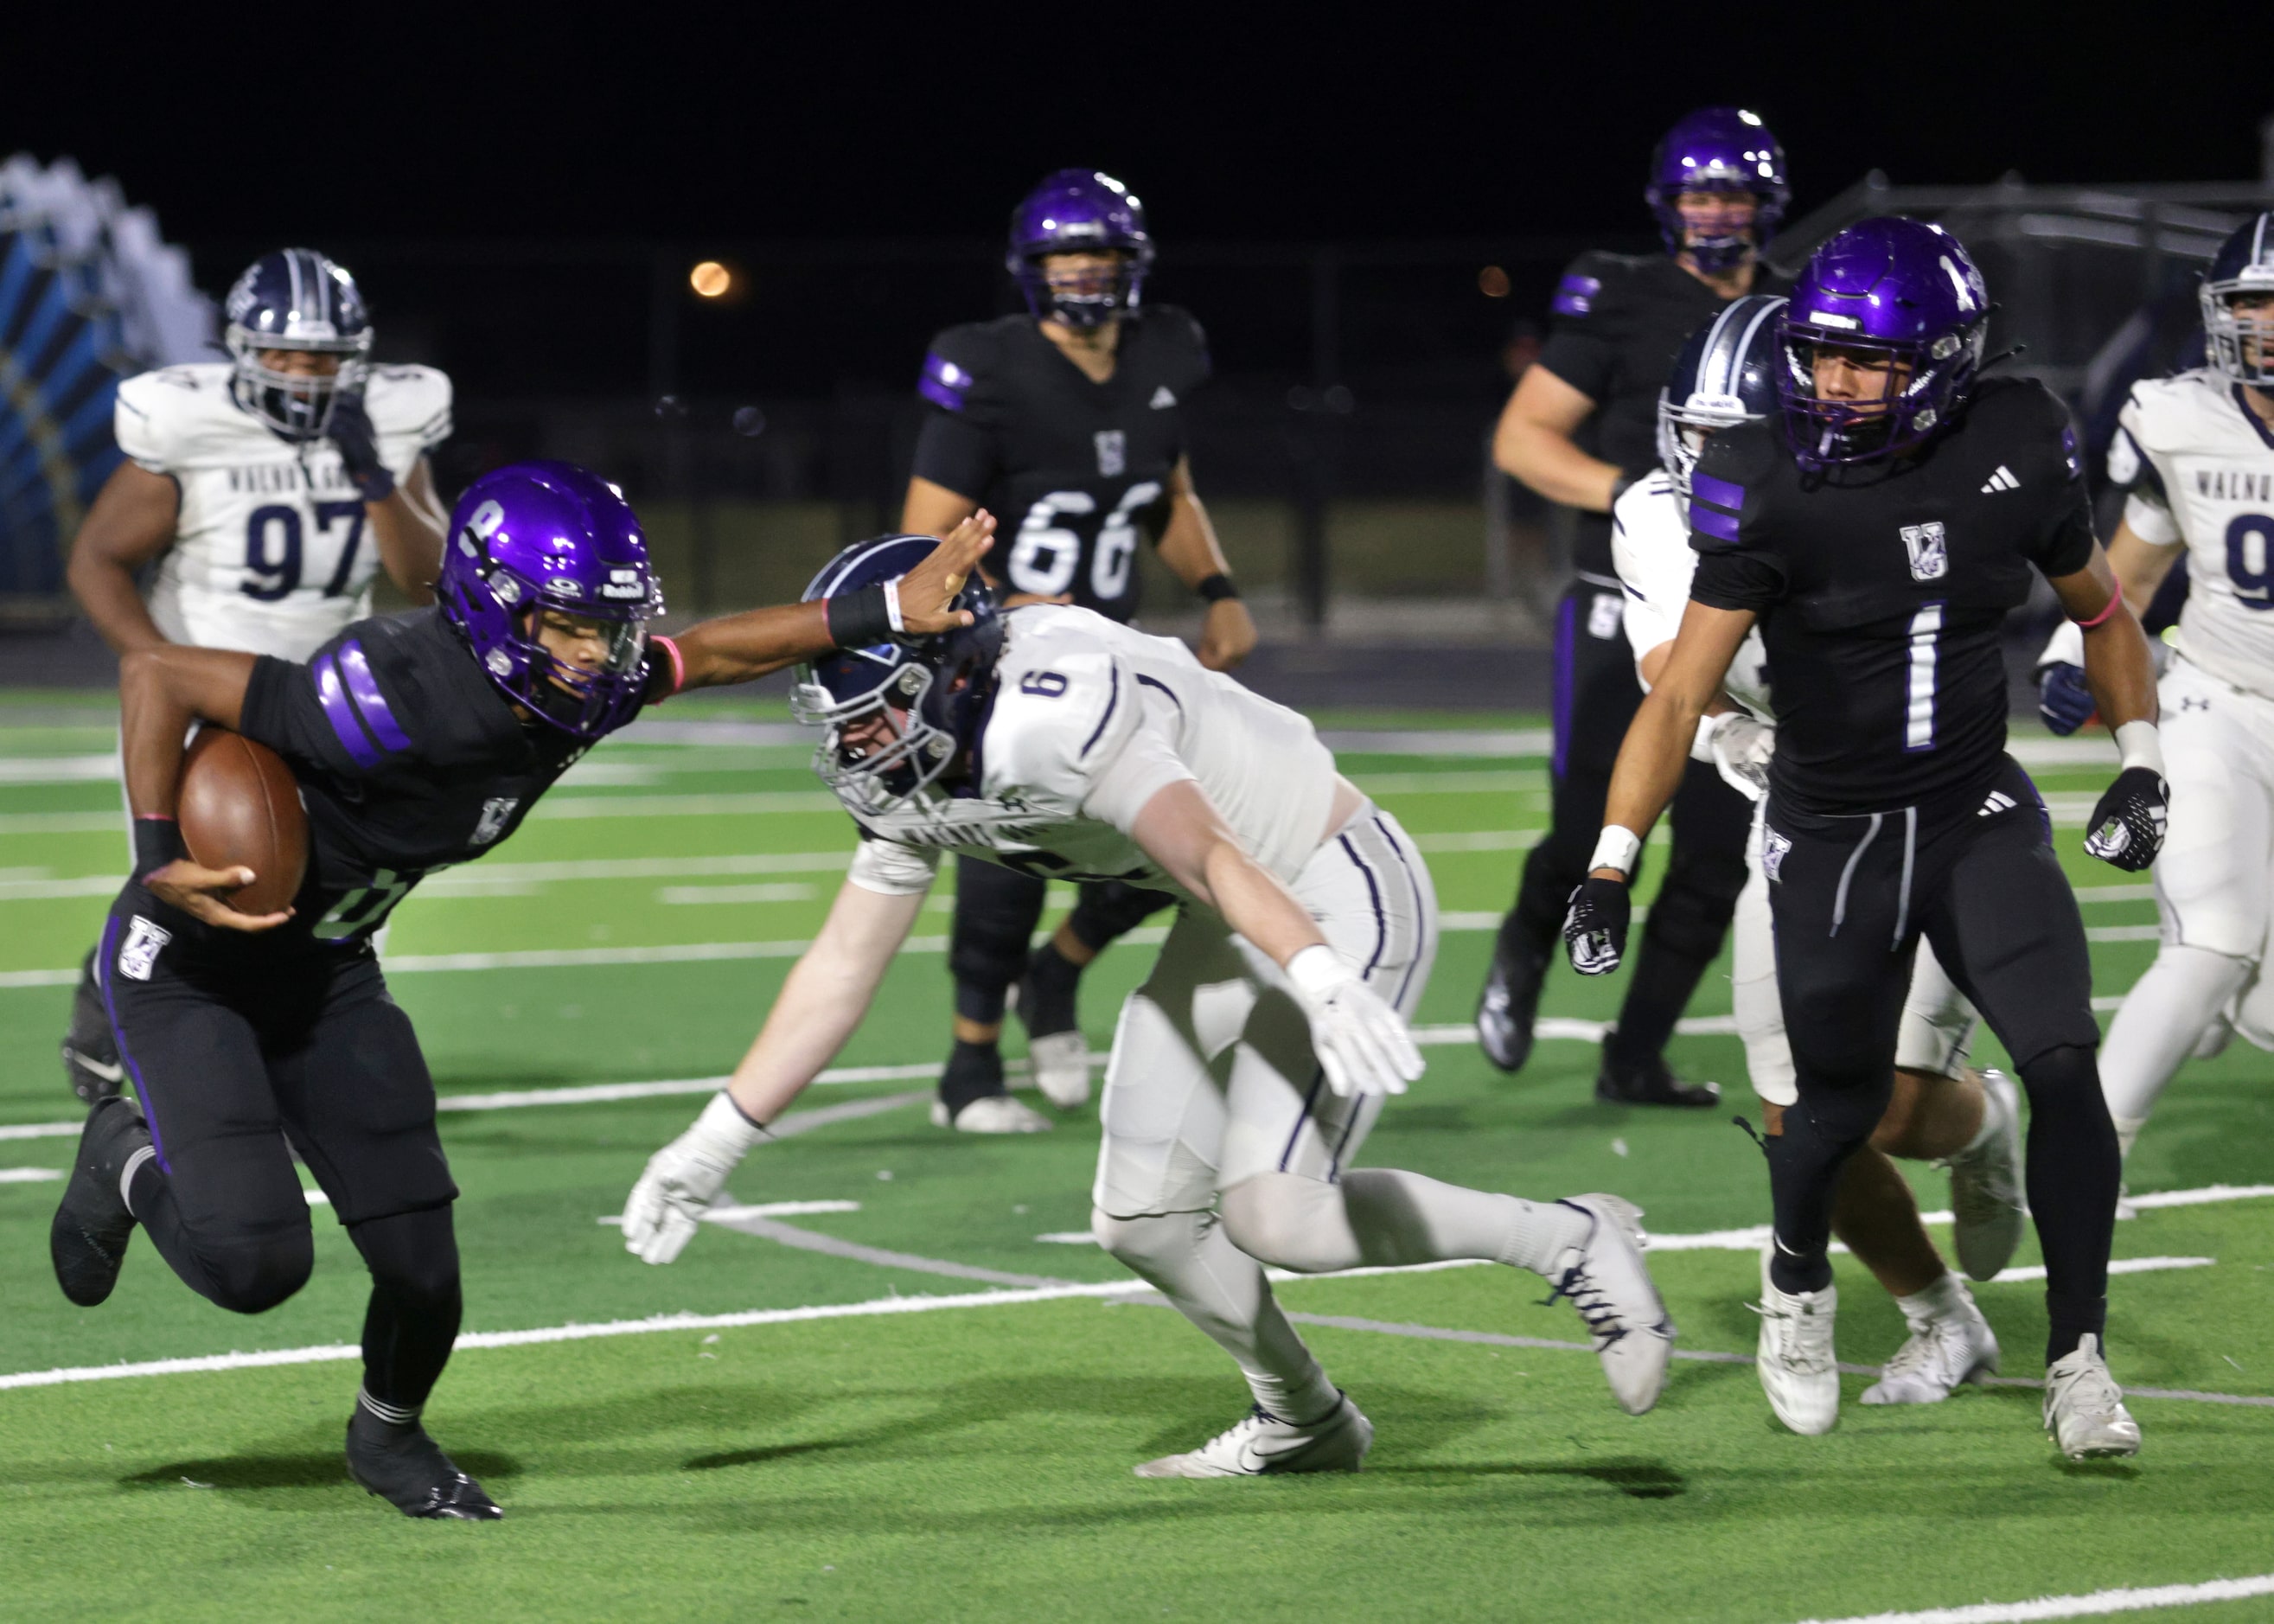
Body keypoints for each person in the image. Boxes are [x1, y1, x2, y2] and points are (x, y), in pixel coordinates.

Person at [47, 464, 995, 1519]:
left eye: (611, 628)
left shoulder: (568, 687)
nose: (600, 655)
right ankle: (121, 1155)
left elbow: (715, 651)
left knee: (423, 1271)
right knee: (252, 1267)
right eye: (572, 627)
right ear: (495, 606)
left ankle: (387, 1438)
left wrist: (877, 610)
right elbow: (159, 677)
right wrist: (157, 853)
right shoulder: (388, 695)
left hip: (327, 971)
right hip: (194, 969)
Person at [622, 534, 1675, 1477]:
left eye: (875, 714)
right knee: (1142, 1224)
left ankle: (1570, 1239)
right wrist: (714, 1142)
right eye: (842, 722)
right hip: (1224, 910)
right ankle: (1303, 1418)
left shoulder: (1053, 711)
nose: (858, 746)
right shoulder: (911, 763)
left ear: (950, 673)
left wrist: (1312, 970)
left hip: (1327, 885)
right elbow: (845, 964)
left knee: (1275, 1214)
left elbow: (1207, 853)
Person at [1562, 218, 2167, 1459]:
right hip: (1816, 817)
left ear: (1938, 363)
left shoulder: (2008, 440)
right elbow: (1676, 697)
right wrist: (1609, 861)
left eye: (1867, 364)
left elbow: (2101, 601)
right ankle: (1848, 1291)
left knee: (2057, 1064)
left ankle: (2078, 1357)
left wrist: (2140, 757)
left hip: (1964, 803)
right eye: (1816, 360)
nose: (1831, 390)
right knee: (1819, 1115)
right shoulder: (1732, 493)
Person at [1614, 294, 2026, 1425]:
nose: (1707, 463)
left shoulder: (1898, 483)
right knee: (1800, 1110)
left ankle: (1983, 1122)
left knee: (1889, 1108)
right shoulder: (1656, 509)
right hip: (1797, 808)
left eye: (1728, 439)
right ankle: (1940, 1315)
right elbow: (1673, 672)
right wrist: (1712, 733)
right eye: (1693, 438)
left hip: (1925, 797)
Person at [904, 169, 1258, 1134]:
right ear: (1031, 269)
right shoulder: (988, 371)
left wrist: (1217, 589)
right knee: (1003, 859)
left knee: (1188, 835)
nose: (1083, 273)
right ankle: (968, 1066)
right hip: (1005, 654)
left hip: (1120, 653)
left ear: (1129, 263)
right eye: (1064, 256)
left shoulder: (1163, 352)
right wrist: (1000, 605)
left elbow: (1168, 494)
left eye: (1097, 254)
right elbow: (922, 552)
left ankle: (1055, 977)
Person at [61, 247, 453, 1104]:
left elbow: (432, 580)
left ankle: (309, 1063)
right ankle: (113, 1013)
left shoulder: (387, 419)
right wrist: (150, 665)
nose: (303, 375)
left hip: (333, 699)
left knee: (334, 896)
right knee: (191, 889)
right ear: (242, 350)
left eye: (322, 357)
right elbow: (97, 559)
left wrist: (375, 478)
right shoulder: (188, 423)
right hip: (209, 695)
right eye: (282, 354)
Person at [1479, 107, 1792, 1105]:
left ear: (1763, 205)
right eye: (1699, 194)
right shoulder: (1619, 297)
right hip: (1624, 596)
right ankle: (1526, 941)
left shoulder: (1796, 311)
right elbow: (1522, 437)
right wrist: (1627, 489)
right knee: (1588, 830)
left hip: (1741, 607)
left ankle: (1635, 1055)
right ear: (1668, 204)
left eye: (1732, 195)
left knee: (1714, 855)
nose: (1715, 213)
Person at [2037, 213, 2274, 1170]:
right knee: (2215, 939)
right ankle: (2074, 1156)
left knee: (2257, 1009)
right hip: (2216, 700)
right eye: (2252, 302)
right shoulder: (2180, 417)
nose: (2268, 324)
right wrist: (2068, 645)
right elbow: (2127, 578)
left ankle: (2207, 976)